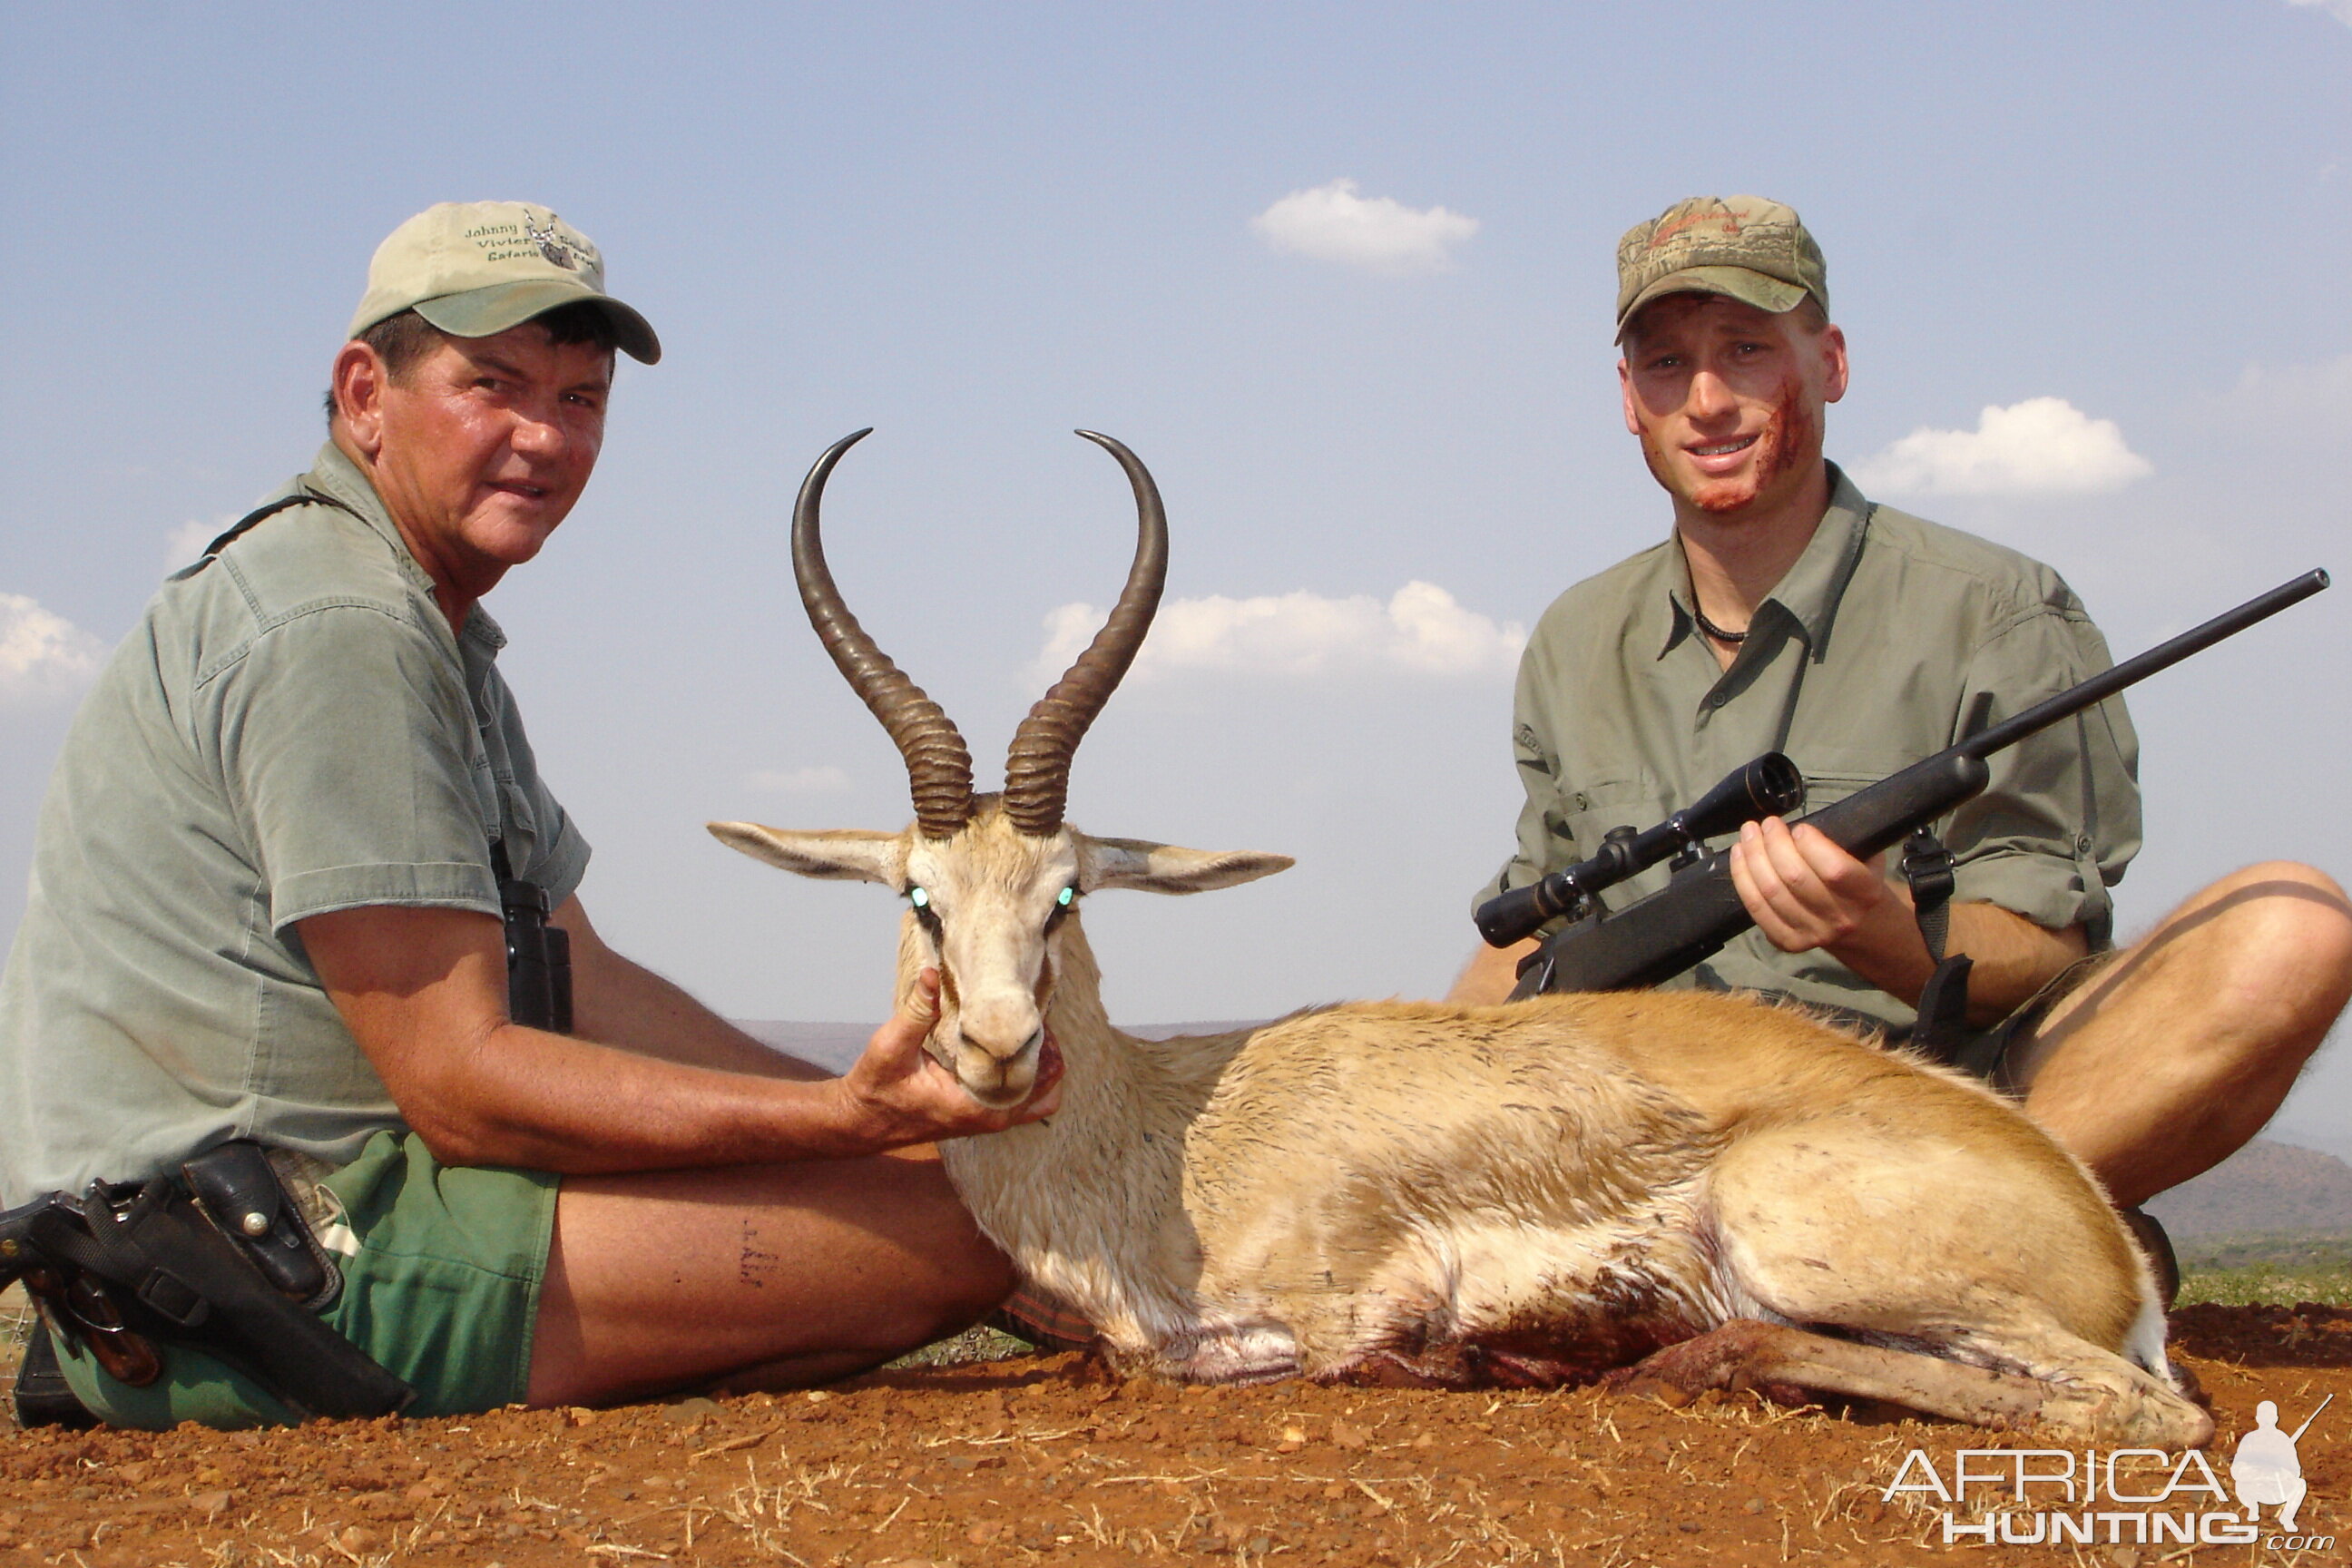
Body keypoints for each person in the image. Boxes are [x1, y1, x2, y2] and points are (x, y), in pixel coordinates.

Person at [0, 201, 1056, 1428]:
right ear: (363, 395)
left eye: (579, 399)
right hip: (276, 1267)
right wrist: (850, 1122)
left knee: (948, 1181)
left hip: (279, 1230)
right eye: (490, 384)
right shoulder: (340, 629)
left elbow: (583, 981)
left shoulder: (422, 623)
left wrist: (895, 1132)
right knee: (986, 1218)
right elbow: (464, 1087)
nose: (542, 438)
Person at [1450, 195, 2352, 1265]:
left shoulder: (2001, 609)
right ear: (1627, 398)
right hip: (1662, 1117)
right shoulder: (1574, 639)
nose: (1706, 401)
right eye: (1665, 364)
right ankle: (1929, 1257)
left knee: (2293, 926)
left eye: (1747, 351)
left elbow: (2046, 947)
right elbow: (1536, 926)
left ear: (1829, 362)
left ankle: (1919, 1235)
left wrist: (1878, 927)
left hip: (1938, 1105)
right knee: (1427, 1053)